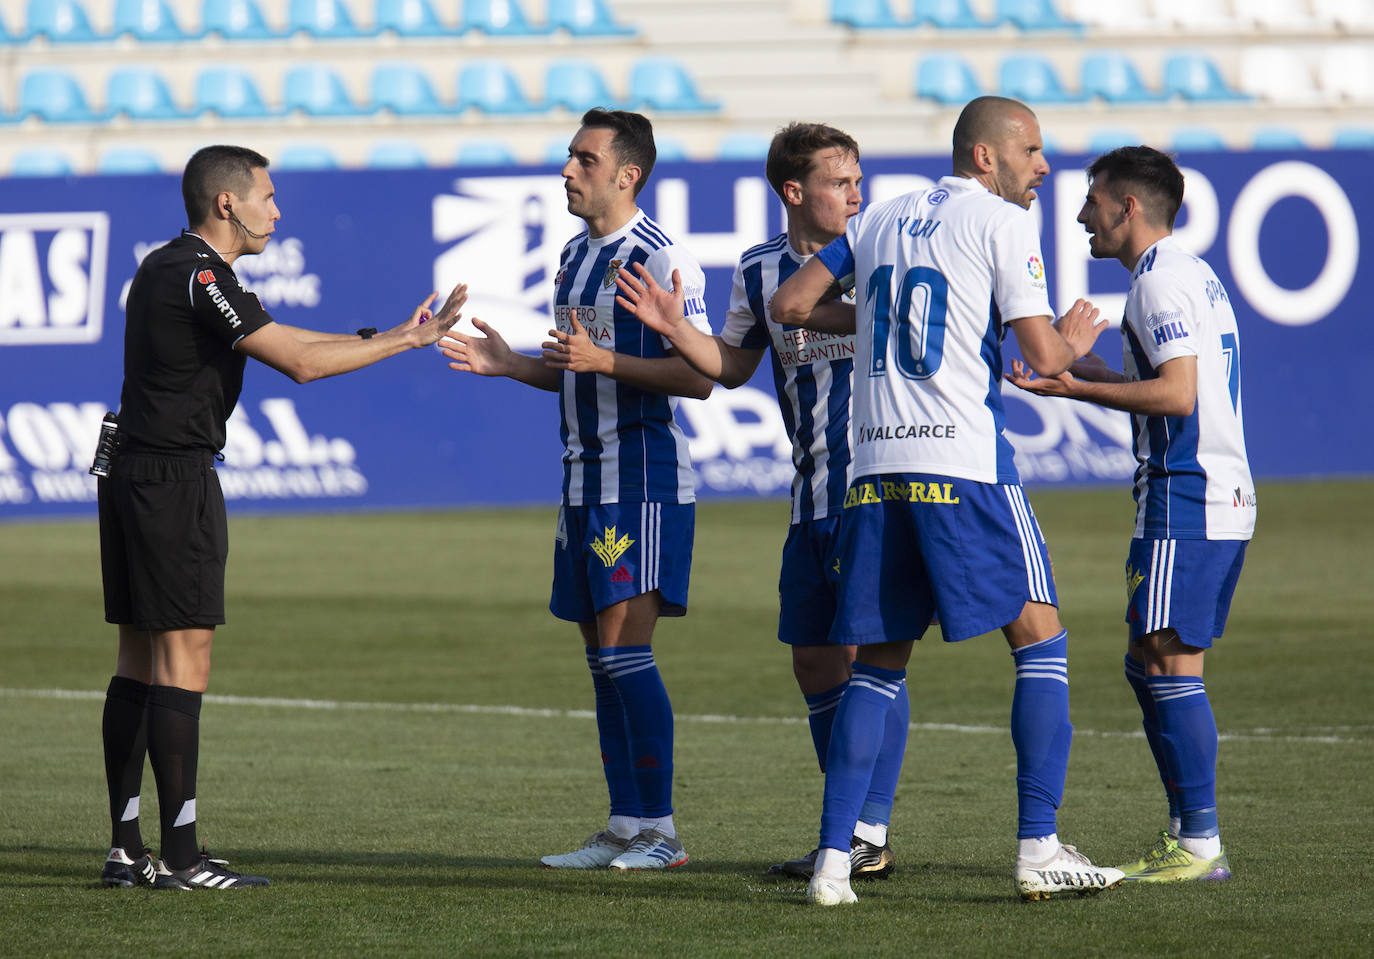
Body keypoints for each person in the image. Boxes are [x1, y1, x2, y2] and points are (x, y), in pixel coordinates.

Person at [772, 95, 1123, 905]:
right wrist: (1075, 340)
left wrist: (882, 319)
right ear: (986, 158)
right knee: (1040, 639)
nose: (1044, 166)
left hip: (874, 469)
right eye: (1032, 150)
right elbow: (1037, 360)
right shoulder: (1001, 224)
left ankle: (834, 864)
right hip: (963, 463)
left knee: (879, 667)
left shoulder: (880, 216)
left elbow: (790, 309)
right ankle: (1039, 847)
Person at [98, 144, 468, 891]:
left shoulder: (172, 268)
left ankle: (128, 848)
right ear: (226, 203)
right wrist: (406, 340)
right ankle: (180, 856)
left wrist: (391, 336)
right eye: (267, 195)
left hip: (134, 469)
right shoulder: (202, 273)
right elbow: (298, 361)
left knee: (138, 658)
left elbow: (294, 341)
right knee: (182, 659)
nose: (277, 209)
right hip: (171, 479)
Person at [613, 122, 905, 881]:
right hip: (808, 491)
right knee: (813, 658)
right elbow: (735, 367)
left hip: (874, 485)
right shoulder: (759, 268)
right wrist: (678, 329)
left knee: (865, 653)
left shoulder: (883, 254)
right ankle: (851, 828)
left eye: (858, 178)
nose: (857, 193)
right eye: (842, 181)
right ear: (793, 190)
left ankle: (865, 829)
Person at [439, 109, 713, 871]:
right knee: (600, 660)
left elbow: (702, 376)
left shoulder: (659, 259)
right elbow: (577, 363)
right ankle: (625, 824)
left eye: (584, 159)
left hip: (643, 480)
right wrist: (514, 366)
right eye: (570, 156)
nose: (567, 169)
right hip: (581, 481)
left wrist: (607, 364)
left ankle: (663, 832)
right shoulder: (572, 255)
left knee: (628, 654)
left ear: (627, 175)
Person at [1008, 145, 1255, 883]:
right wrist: (1089, 369)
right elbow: (1179, 382)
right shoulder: (1187, 272)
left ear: (1128, 207)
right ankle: (1187, 833)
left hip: (1190, 491)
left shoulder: (1157, 286)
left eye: (1092, 199)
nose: (1081, 213)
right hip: (1198, 492)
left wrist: (1071, 393)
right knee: (1147, 660)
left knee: (1170, 660)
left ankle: (1200, 841)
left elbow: (1179, 396)